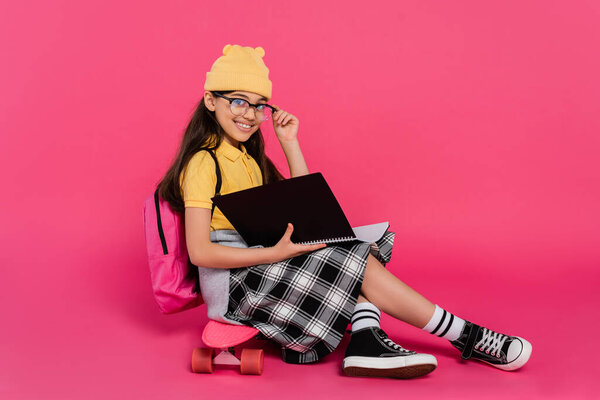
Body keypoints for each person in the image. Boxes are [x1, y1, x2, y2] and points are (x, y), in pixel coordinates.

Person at [157, 44, 532, 378]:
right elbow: (201, 252)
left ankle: (367, 341)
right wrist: (277, 252)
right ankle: (466, 336)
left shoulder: (246, 157)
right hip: (235, 286)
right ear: (211, 101)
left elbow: (302, 208)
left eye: (259, 105)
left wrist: (290, 144)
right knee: (353, 256)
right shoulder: (203, 162)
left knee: (357, 243)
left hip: (260, 261)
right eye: (238, 101)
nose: (251, 114)